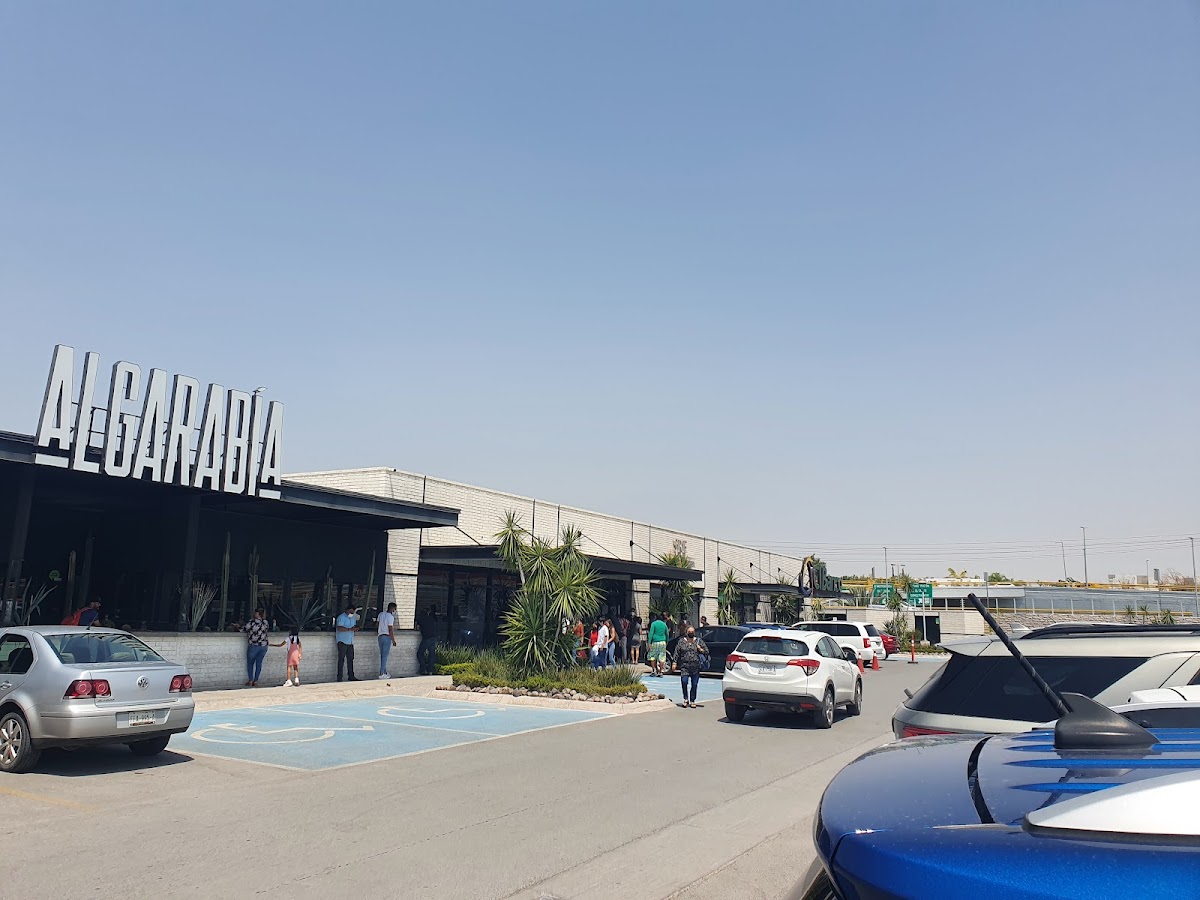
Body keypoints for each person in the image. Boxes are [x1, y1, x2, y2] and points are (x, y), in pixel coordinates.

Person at [241, 608, 282, 687]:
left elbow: (244, 629)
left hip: (254, 645)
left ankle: (250, 680)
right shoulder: (265, 622)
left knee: (250, 663)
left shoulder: (252, 622)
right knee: (259, 663)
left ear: (257, 614)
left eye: (255, 613)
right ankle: (256, 680)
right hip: (264, 646)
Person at [674, 625, 710, 708]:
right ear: (686, 633)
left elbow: (707, 651)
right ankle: (686, 698)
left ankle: (692, 700)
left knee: (694, 684)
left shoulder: (698, 641)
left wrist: (700, 649)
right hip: (685, 666)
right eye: (689, 632)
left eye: (692, 632)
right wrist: (674, 662)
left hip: (696, 666)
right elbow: (677, 652)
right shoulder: (681, 641)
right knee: (684, 682)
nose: (691, 633)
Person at [335, 602, 360, 682]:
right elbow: (340, 628)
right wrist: (350, 629)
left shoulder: (353, 618)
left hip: (350, 641)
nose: (351, 614)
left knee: (350, 659)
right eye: (350, 612)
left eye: (353, 613)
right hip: (342, 641)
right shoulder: (341, 617)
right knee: (341, 659)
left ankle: (351, 675)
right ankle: (339, 677)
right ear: (347, 610)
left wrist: (355, 629)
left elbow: (353, 627)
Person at [416, 605, 439, 676]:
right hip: (433, 637)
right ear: (428, 613)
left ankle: (423, 669)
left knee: (420, 653)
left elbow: (417, 628)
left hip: (426, 638)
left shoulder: (420, 619)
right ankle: (430, 671)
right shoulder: (431, 619)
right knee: (431, 655)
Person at [377, 602, 398, 679]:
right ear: (392, 608)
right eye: (395, 609)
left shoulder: (381, 614)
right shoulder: (390, 617)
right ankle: (382, 673)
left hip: (380, 636)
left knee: (382, 655)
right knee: (385, 656)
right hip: (387, 637)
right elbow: (390, 629)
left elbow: (377, 624)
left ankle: (384, 671)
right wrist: (393, 640)